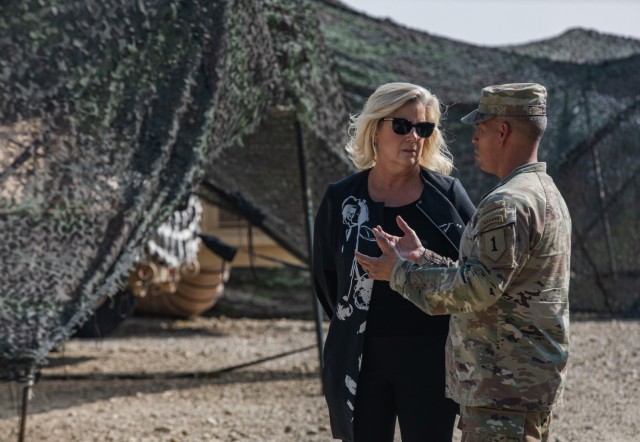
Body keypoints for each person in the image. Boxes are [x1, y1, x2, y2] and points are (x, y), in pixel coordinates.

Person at [355, 83, 572, 442]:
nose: (474, 138)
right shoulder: (544, 192)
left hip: (503, 390)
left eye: (480, 127)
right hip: (521, 385)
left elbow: (477, 289)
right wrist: (422, 257)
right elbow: (491, 276)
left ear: (502, 131)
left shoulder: (506, 204)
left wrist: (398, 272)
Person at [313, 82, 476, 441]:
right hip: (360, 359)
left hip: (433, 357)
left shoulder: (447, 197)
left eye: (424, 128)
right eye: (401, 126)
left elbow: (474, 273)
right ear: (375, 130)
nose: (413, 137)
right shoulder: (341, 198)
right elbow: (327, 278)